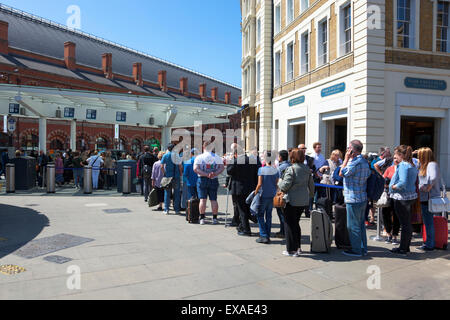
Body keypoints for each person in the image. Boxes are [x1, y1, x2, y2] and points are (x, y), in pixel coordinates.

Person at [278, 148, 315, 256]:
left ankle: (291, 249)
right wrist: (311, 196)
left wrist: (279, 182)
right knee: (296, 223)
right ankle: (298, 247)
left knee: (289, 224)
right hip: (303, 200)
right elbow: (311, 185)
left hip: (291, 200)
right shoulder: (306, 169)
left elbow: (285, 186)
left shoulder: (291, 169)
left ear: (292, 157)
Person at [339, 140, 371, 257]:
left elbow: (342, 173)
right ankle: (363, 248)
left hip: (353, 198)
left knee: (352, 226)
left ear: (353, 150)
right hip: (362, 197)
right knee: (360, 224)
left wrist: (346, 159)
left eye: (348, 148)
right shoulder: (364, 161)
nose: (347, 150)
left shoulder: (354, 162)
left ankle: (357, 250)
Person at [389, 145, 418, 255]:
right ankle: (405, 247)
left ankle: (403, 248)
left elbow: (402, 182)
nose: (394, 156)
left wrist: (393, 187)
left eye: (395, 154)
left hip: (402, 197)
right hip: (409, 196)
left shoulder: (403, 165)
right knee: (407, 223)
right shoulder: (411, 164)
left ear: (400, 155)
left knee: (405, 224)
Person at [227, 143, 260, 236]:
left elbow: (229, 171)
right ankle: (242, 225)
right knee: (247, 207)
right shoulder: (251, 160)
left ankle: (246, 229)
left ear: (236, 154)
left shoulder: (236, 160)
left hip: (239, 188)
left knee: (242, 209)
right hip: (250, 187)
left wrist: (232, 160)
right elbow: (255, 174)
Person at [194, 141, 225, 225]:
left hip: (202, 179)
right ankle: (214, 218)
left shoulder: (199, 157)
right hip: (213, 179)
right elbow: (222, 168)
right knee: (213, 199)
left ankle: (202, 218)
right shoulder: (217, 157)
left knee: (202, 200)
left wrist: (206, 174)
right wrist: (215, 173)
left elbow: (195, 169)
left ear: (203, 147)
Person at [417, 147, 441, 252]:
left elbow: (433, 177)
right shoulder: (426, 165)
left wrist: (427, 187)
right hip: (426, 197)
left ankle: (430, 244)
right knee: (428, 222)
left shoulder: (431, 164)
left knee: (429, 222)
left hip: (428, 197)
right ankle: (429, 242)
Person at [253, 151, 279, 244]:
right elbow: (277, 184)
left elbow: (259, 184)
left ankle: (263, 235)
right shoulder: (276, 170)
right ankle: (267, 235)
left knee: (260, 215)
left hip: (263, 195)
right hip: (272, 195)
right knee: (269, 216)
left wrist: (255, 193)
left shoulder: (261, 169)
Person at [382, 157, 400, 245]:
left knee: (396, 215)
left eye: (397, 158)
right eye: (394, 158)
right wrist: (386, 184)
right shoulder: (389, 169)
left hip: (398, 195)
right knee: (385, 214)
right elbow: (383, 179)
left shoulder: (403, 169)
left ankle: (395, 235)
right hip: (388, 195)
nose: (395, 160)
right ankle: (388, 234)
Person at [161, 144, 183, 215]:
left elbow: (162, 166)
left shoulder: (165, 155)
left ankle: (166, 209)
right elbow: (180, 166)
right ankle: (176, 209)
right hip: (176, 176)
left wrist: (164, 173)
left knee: (167, 193)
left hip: (168, 176)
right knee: (176, 193)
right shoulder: (177, 156)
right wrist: (180, 174)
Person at [275, 150, 291, 238]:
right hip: (290, 193)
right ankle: (285, 231)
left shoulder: (280, 168)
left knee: (281, 213)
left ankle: (283, 231)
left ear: (280, 157)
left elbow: (277, 180)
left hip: (281, 192)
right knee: (287, 213)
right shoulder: (290, 165)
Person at [298, 144, 315, 218]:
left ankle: (308, 211)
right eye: (302, 148)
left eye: (305, 148)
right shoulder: (295, 158)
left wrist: (311, 170)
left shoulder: (309, 158)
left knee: (309, 196)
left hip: (308, 179)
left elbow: (314, 168)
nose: (303, 149)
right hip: (299, 180)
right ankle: (299, 211)